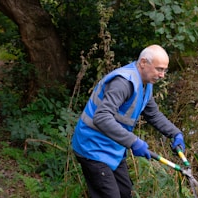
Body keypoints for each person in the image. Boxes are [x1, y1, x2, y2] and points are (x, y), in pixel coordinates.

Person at [72, 44, 185, 198]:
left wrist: (175, 134)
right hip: (92, 147)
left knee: (125, 192)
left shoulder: (146, 85)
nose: (162, 75)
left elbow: (153, 115)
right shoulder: (123, 82)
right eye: (159, 69)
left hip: (113, 148)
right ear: (143, 63)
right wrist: (133, 142)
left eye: (165, 70)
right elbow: (102, 117)